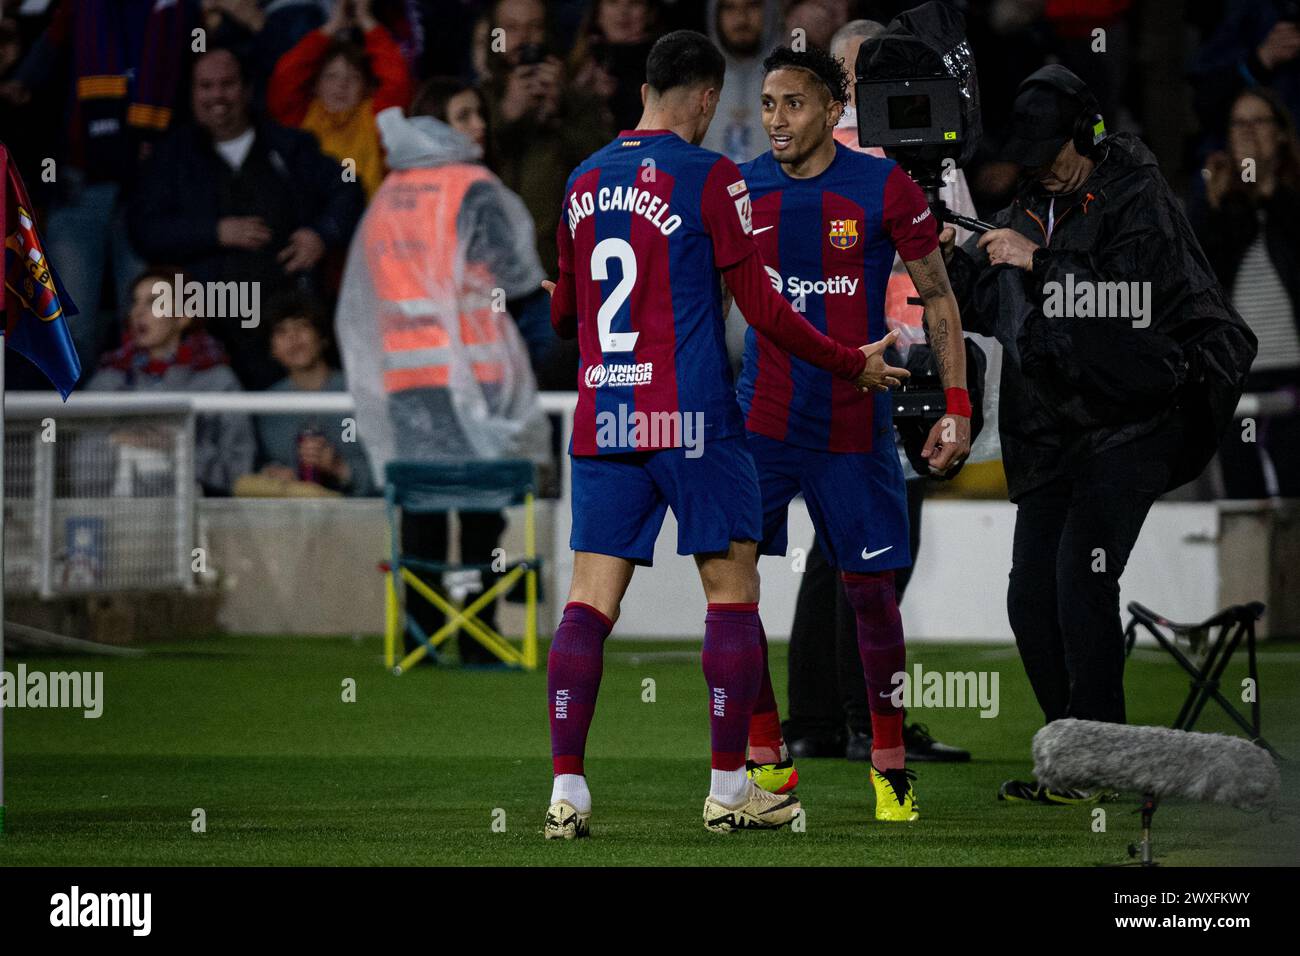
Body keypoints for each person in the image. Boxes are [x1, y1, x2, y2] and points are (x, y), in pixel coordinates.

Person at [542, 29, 906, 839]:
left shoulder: (580, 179)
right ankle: (729, 789)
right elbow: (768, 313)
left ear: (645, 88)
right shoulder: (712, 177)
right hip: (696, 420)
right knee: (731, 596)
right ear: (708, 97)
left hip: (607, 416)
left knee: (588, 604)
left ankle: (567, 791)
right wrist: (850, 362)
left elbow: (567, 316)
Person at [940, 65, 1257, 803]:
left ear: (1086, 135)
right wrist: (960, 263)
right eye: (1030, 150)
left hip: (1143, 416)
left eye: (1051, 148)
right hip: (1057, 424)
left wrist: (1040, 260)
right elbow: (1009, 314)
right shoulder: (1025, 203)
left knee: (1080, 582)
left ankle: (1105, 761)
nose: (1039, 163)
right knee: (1030, 598)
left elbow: (1137, 302)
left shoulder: (1138, 194)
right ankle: (1075, 758)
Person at [732, 46, 971, 823]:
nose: (775, 120)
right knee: (733, 591)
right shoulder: (739, 187)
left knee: (872, 598)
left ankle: (891, 766)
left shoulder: (882, 186)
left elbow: (938, 298)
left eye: (791, 104)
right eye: (767, 104)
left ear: (833, 111)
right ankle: (767, 762)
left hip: (849, 423)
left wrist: (958, 405)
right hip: (760, 423)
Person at [335, 102, 550, 666]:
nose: (479, 125)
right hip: (473, 371)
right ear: (440, 128)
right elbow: (518, 269)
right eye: (465, 116)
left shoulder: (388, 196)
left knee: (423, 509)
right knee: (482, 511)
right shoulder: (472, 186)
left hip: (408, 376)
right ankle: (477, 636)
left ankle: (420, 639)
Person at [128, 47, 365, 390]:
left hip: (285, 330)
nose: (216, 96)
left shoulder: (288, 145)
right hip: (207, 332)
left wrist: (322, 233)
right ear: (192, 94)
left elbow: (349, 185)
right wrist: (214, 232)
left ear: (247, 89)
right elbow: (143, 230)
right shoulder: (171, 157)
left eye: (227, 84)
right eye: (205, 86)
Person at [4, 0, 199, 373]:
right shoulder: (78, 7)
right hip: (81, 178)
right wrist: (23, 81)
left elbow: (195, 72)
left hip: (148, 184)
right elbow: (32, 76)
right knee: (73, 324)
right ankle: (71, 428)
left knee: (147, 322)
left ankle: (141, 422)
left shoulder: (177, 7)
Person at [1195, 87, 1300, 498]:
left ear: (1281, 135)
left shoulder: (1292, 198)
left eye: (1258, 122)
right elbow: (1202, 280)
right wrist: (1220, 204)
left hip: (1292, 370)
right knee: (1245, 497)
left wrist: (1268, 186)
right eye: (1239, 124)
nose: (1248, 133)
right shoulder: (1219, 201)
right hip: (1239, 375)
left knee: (1293, 494)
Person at [87, 268, 256, 497]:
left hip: (196, 522)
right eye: (135, 302)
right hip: (116, 521)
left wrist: (178, 446)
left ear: (184, 316)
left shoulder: (219, 381)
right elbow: (79, 468)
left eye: (154, 302)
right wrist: (116, 442)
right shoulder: (108, 379)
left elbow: (239, 471)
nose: (138, 312)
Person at [267, 0, 412, 200]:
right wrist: (332, 27)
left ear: (367, 88)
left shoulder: (377, 117)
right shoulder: (300, 116)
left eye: (353, 77)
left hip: (369, 222)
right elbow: (286, 76)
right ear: (315, 85)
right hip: (313, 225)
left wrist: (366, 20)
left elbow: (397, 79)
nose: (341, 85)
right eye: (331, 76)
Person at [254, 292, 375, 496]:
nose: (293, 338)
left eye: (302, 326)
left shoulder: (360, 392)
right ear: (272, 349)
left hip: (361, 517)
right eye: (281, 331)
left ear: (323, 337)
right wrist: (273, 475)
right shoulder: (267, 407)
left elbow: (387, 471)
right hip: (292, 519)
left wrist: (340, 468)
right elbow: (254, 469)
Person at [700, 0, 782, 164]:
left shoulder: (797, 78)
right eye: (729, 7)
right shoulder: (695, 81)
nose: (741, 18)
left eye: (752, 5)